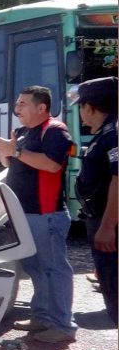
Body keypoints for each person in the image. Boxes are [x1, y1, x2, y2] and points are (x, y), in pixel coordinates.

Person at [0, 85, 78, 343]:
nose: (16, 108)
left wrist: (15, 151)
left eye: (22, 104)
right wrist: (6, 153)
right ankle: (42, 317)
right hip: (24, 214)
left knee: (54, 269)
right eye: (17, 103)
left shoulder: (55, 131)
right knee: (35, 268)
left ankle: (63, 326)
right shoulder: (22, 132)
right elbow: (10, 163)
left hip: (46, 215)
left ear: (41, 107)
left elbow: (52, 165)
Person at [72, 76, 118, 325]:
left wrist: (108, 227)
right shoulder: (105, 134)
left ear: (89, 107)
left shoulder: (113, 135)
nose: (80, 113)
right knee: (110, 285)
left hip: (109, 225)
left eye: (80, 106)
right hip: (99, 219)